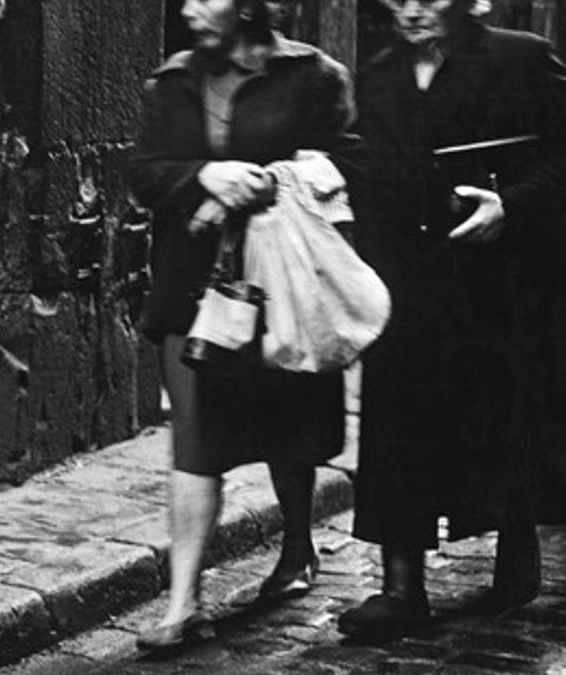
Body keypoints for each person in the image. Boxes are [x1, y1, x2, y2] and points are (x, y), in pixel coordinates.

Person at [127, 0, 360, 651]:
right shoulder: (171, 80)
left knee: (289, 423)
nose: (191, 7)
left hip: (282, 284)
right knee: (195, 437)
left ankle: (297, 546)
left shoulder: (314, 75)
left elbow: (354, 165)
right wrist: (205, 174)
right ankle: (183, 604)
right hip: (196, 290)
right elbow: (144, 174)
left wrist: (273, 181)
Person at [338, 0, 566, 640]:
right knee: (395, 429)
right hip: (405, 284)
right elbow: (368, 170)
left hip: (497, 288)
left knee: (499, 422)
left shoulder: (520, 59)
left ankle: (515, 548)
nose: (410, 10)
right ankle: (401, 588)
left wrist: (511, 207)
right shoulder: (377, 74)